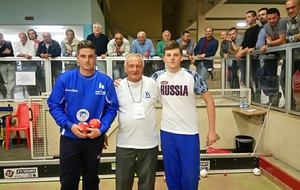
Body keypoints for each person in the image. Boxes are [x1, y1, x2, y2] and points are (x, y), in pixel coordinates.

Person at [47, 40, 119, 190]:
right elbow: (54, 105)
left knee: (91, 180)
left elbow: (112, 108)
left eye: (91, 56)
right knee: (68, 181)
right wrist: (69, 125)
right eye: (83, 56)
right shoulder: (65, 79)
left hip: (94, 139)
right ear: (77, 58)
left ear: (96, 58)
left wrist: (102, 129)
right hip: (70, 138)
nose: (87, 60)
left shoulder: (105, 81)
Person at [151, 40, 218, 190]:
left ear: (182, 57)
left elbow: (210, 102)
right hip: (168, 133)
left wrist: (212, 130)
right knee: (172, 176)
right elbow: (142, 90)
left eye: (176, 55)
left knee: (190, 177)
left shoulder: (192, 76)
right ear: (164, 58)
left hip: (189, 133)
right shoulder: (157, 77)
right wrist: (121, 82)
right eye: (168, 55)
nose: (172, 58)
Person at [115, 53, 159, 190]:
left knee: (147, 185)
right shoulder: (118, 86)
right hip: (125, 143)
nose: (134, 69)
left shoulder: (152, 83)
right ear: (125, 68)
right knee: (123, 184)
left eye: (138, 66)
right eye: (131, 66)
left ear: (143, 67)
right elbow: (108, 110)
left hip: (149, 144)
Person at [260, 8, 287, 106]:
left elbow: (282, 40)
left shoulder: (283, 22)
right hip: (276, 54)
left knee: (284, 79)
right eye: (269, 19)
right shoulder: (267, 26)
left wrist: (271, 43)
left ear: (279, 17)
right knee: (263, 74)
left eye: (274, 18)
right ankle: (273, 96)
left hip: (289, 54)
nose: (272, 21)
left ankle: (289, 104)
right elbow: (269, 42)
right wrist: (271, 43)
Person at [235, 10, 260, 86]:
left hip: (254, 57)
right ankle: (251, 94)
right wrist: (239, 52)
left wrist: (241, 53)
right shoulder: (247, 31)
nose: (247, 19)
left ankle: (256, 95)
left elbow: (251, 44)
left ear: (254, 17)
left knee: (255, 77)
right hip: (246, 57)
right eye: (246, 17)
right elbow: (244, 44)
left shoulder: (258, 28)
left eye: (249, 17)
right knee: (244, 77)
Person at [286, 0, 300, 110]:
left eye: (293, 7)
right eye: (288, 8)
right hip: (294, 55)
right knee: (284, 79)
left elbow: (289, 38)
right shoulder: (288, 21)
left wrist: (292, 38)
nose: (290, 10)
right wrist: (296, 37)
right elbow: (286, 38)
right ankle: (290, 104)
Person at [28, 29, 45, 93]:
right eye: (30, 34)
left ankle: (42, 92)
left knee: (40, 78)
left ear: (35, 34)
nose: (31, 35)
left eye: (33, 33)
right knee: (32, 79)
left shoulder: (39, 43)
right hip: (30, 64)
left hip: (38, 63)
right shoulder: (28, 43)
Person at [0, 33, 14, 99]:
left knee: (11, 82)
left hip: (11, 64)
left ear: (2, 38)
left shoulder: (8, 43)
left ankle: (10, 97)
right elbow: (5, 53)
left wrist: (1, 53)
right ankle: (8, 96)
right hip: (2, 65)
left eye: (0, 38)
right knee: (6, 82)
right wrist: (3, 52)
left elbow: (10, 53)